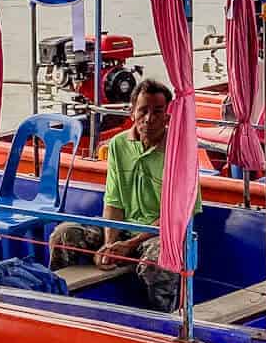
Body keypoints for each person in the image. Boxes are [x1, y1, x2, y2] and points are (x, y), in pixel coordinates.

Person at [47, 80, 197, 312]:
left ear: (168, 116)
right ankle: (60, 306)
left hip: (159, 233)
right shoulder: (118, 145)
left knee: (159, 261)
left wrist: (129, 244)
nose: (149, 118)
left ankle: (164, 321)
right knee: (63, 234)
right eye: (143, 110)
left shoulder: (181, 151)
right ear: (132, 112)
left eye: (158, 112)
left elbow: (178, 216)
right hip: (122, 229)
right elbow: (113, 201)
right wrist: (110, 245)